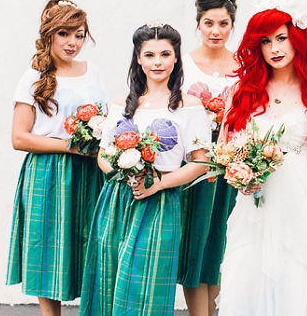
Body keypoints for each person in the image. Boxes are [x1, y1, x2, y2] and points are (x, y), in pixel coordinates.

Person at [79, 23, 210, 315]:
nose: (157, 62)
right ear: (138, 58)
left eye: (165, 54)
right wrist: (123, 173)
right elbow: (103, 155)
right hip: (117, 199)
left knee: (146, 284)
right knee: (109, 277)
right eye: (149, 55)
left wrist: (158, 182)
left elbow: (201, 162)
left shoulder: (189, 106)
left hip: (160, 201)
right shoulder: (121, 104)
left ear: (176, 57)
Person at [217, 6, 307, 316]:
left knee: (292, 282)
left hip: (299, 202)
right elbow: (223, 150)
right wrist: (239, 176)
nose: (274, 49)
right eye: (265, 41)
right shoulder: (241, 91)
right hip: (253, 203)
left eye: (281, 38)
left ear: (297, 39)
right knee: (244, 279)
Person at [7, 0, 107, 316]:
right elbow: (19, 137)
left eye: (79, 35)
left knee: (91, 242)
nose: (72, 42)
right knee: (48, 246)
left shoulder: (92, 72)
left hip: (90, 171)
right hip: (48, 172)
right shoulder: (33, 77)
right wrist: (70, 146)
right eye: (64, 34)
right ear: (49, 34)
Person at [178, 0, 239, 316]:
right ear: (198, 24)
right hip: (195, 162)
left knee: (220, 243)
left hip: (232, 164)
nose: (216, 31)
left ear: (232, 25)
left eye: (223, 23)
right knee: (195, 243)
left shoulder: (244, 64)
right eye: (209, 23)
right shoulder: (182, 64)